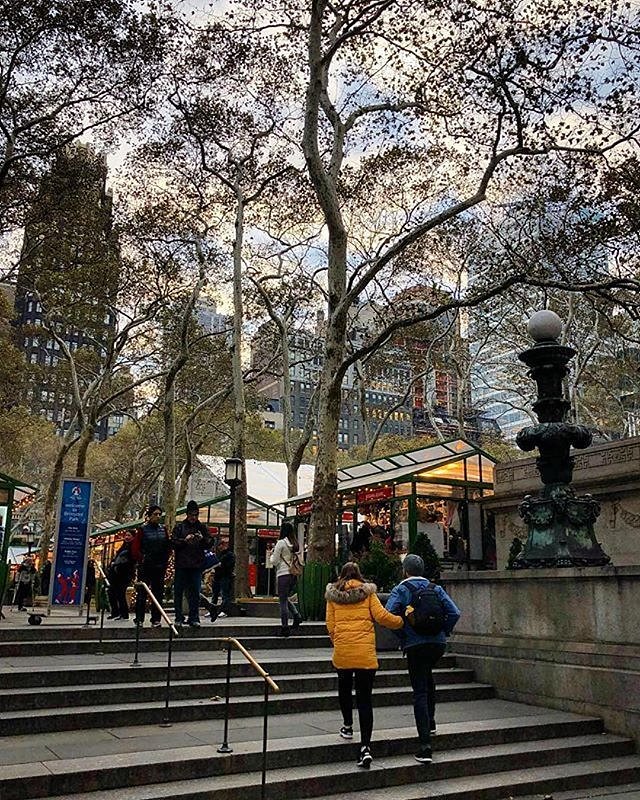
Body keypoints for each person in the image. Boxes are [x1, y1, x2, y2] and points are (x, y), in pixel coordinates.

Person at [325, 562, 403, 770]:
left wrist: (338, 641)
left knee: (344, 687)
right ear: (360, 575)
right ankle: (365, 747)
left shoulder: (333, 596)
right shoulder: (368, 594)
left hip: (343, 652)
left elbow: (330, 626)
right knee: (365, 699)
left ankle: (347, 725)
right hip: (365, 654)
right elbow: (382, 617)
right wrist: (401, 621)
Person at [385, 553, 461, 764]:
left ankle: (425, 744)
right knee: (427, 677)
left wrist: (404, 634)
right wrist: (443, 631)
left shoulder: (401, 589)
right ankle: (432, 720)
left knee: (419, 689)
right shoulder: (435, 589)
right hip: (436, 644)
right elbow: (454, 612)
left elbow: (389, 615)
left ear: (405, 571)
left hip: (415, 643)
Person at [171, 500, 212, 628]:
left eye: (196, 515)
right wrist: (185, 541)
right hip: (182, 565)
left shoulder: (202, 527)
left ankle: (194, 617)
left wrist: (202, 540)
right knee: (179, 592)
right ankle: (179, 617)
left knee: (195, 592)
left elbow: (210, 543)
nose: (193, 517)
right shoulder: (179, 527)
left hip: (196, 565)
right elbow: (173, 543)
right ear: (187, 514)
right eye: (191, 515)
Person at [131, 504, 170, 627]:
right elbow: (135, 548)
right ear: (149, 516)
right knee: (142, 593)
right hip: (146, 566)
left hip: (159, 566)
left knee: (158, 593)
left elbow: (167, 546)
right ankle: (139, 618)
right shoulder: (142, 530)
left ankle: (156, 619)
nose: (158, 517)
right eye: (155, 514)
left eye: (159, 514)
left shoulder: (163, 530)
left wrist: (165, 561)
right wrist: (142, 559)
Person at [269, 521, 303, 637]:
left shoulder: (281, 543)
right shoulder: (295, 543)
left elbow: (274, 561)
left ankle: (285, 627)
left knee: (282, 601)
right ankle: (296, 615)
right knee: (285, 597)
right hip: (293, 574)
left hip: (283, 574)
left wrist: (272, 554)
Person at [107, 532, 136, 620]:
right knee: (111, 592)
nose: (126, 537)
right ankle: (115, 612)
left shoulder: (132, 547)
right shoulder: (124, 546)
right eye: (126, 535)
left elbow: (130, 561)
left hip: (124, 574)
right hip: (116, 574)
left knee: (120, 593)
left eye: (129, 535)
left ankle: (124, 613)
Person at [212, 539, 235, 618]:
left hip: (225, 576)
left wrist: (221, 565)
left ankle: (224, 610)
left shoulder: (229, 555)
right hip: (218, 576)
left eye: (220, 546)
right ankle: (213, 610)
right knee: (215, 594)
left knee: (225, 594)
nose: (219, 548)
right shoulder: (219, 554)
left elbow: (229, 566)